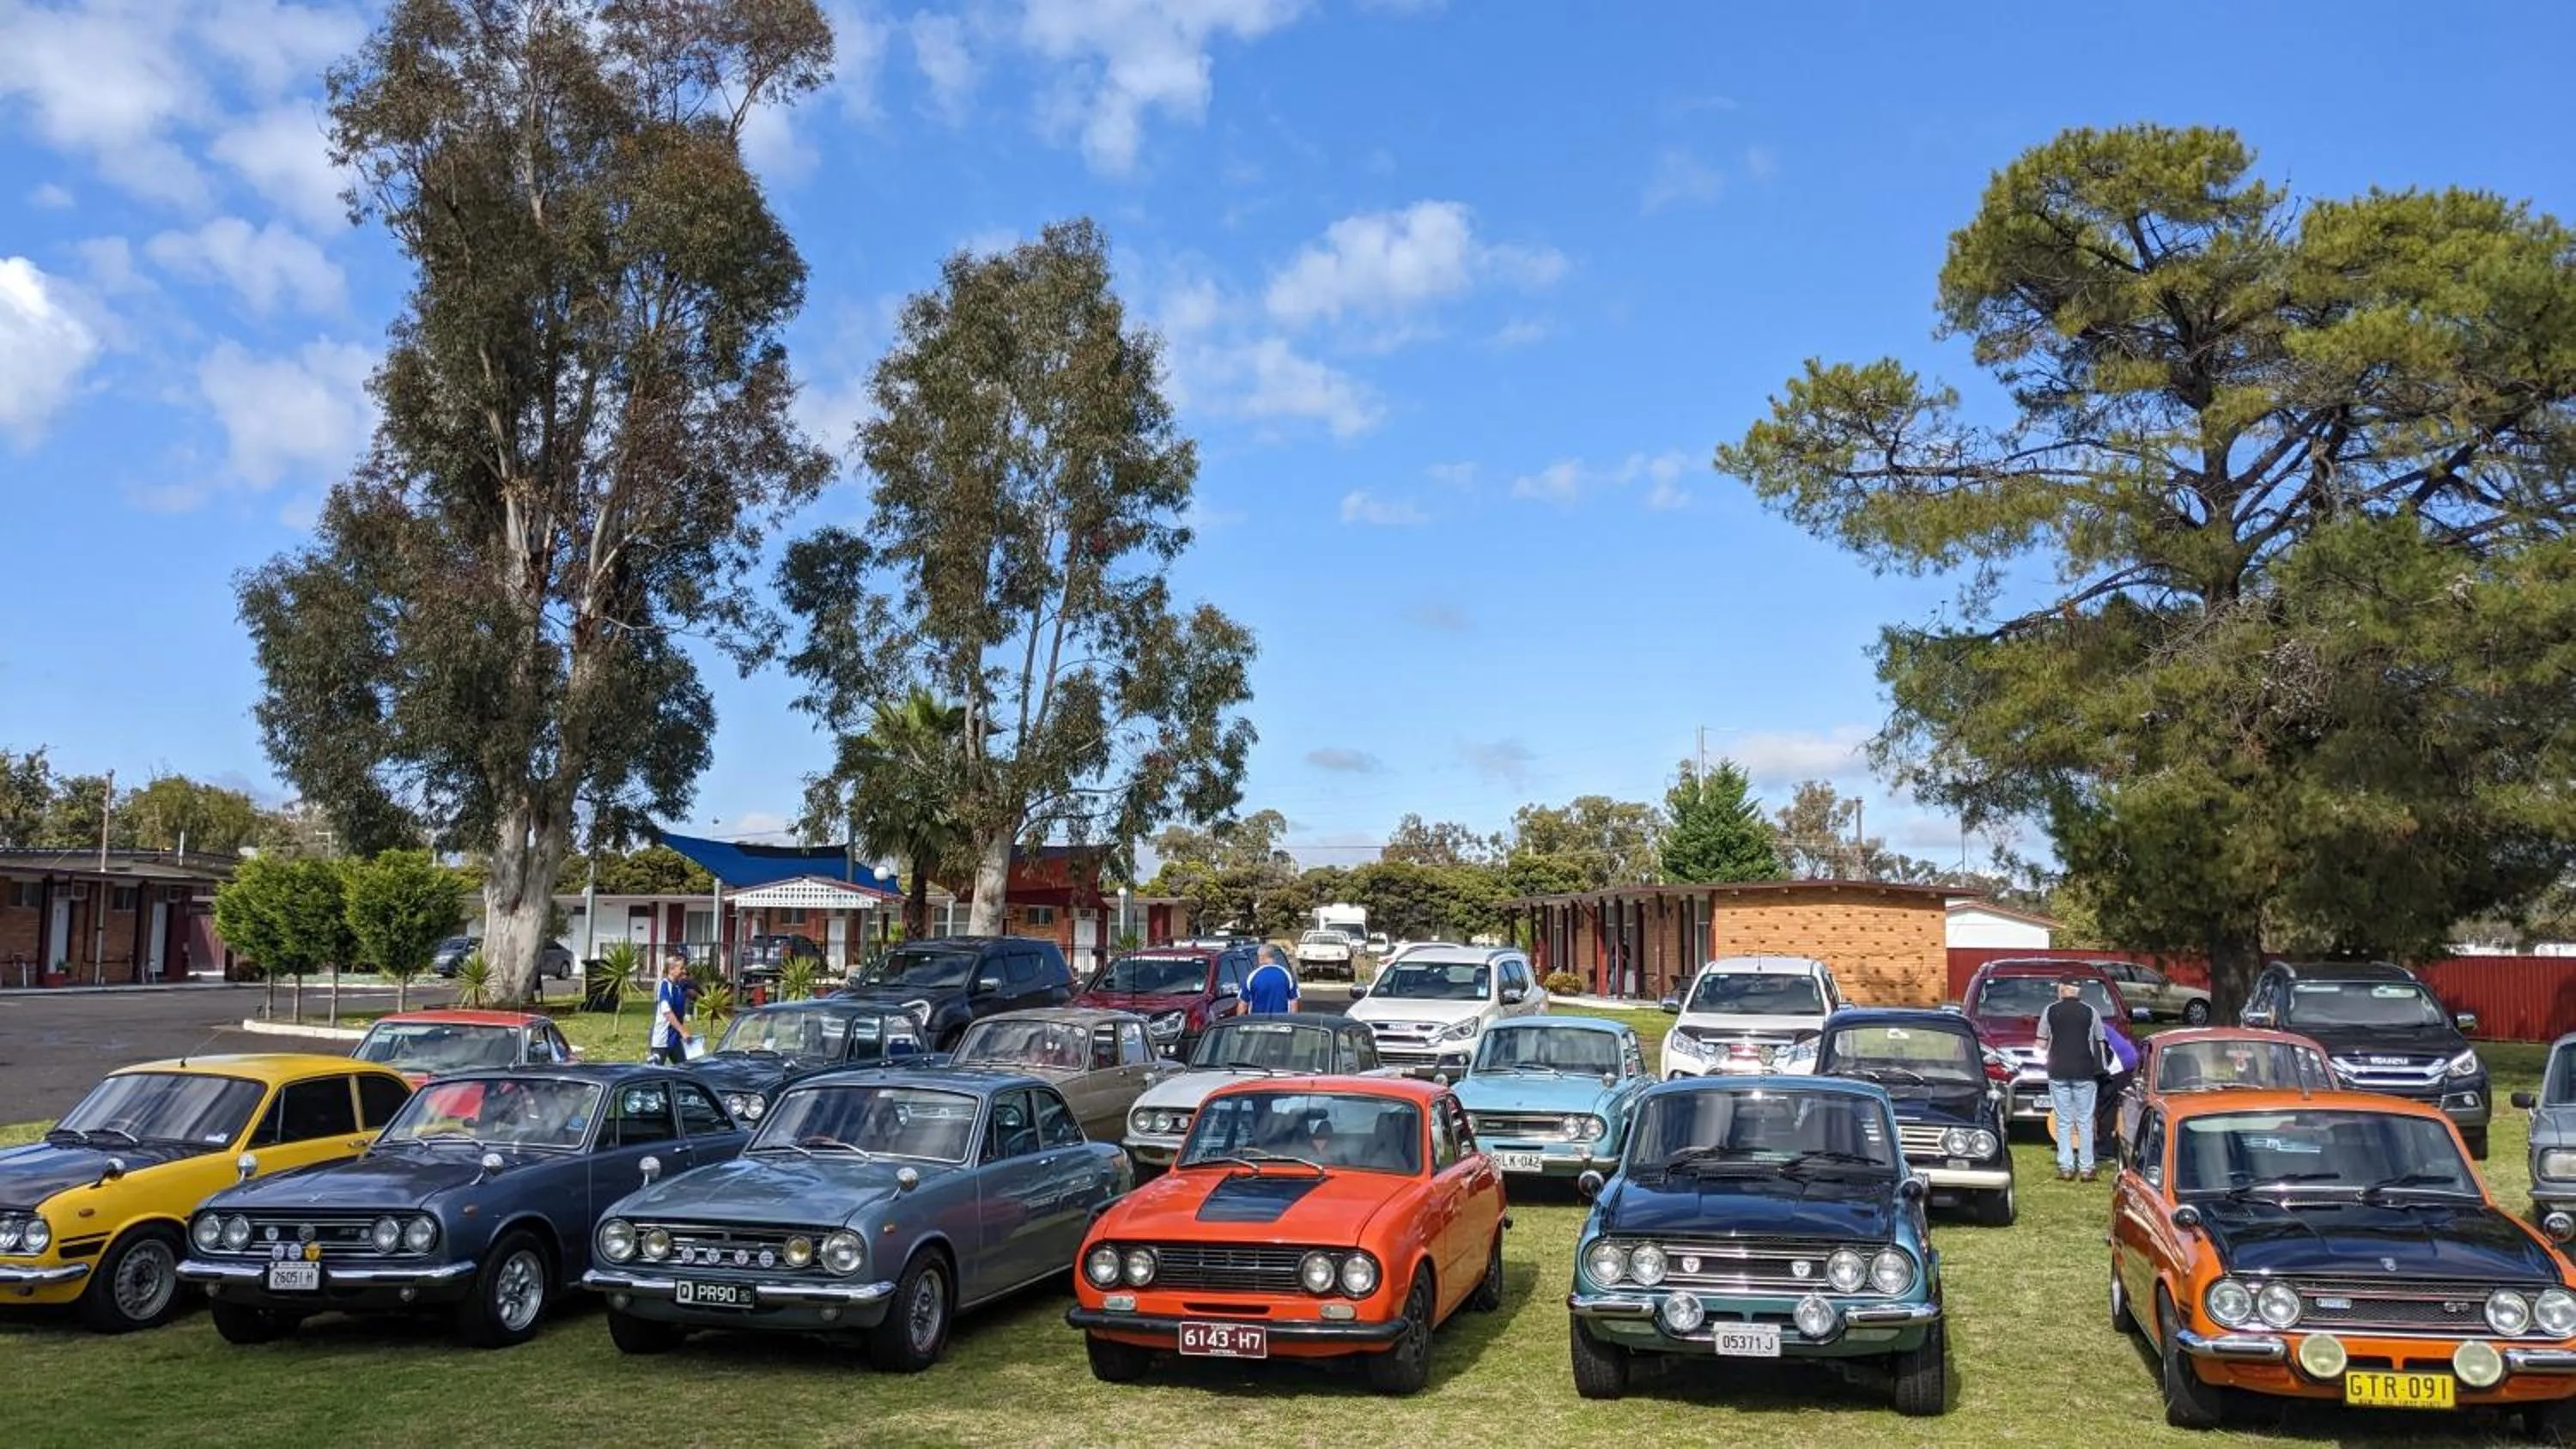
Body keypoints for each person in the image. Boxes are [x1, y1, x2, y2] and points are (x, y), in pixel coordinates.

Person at [2036, 977, 2112, 1181]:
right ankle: (2087, 1168)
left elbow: (2041, 1043)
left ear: (2062, 989)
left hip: (2058, 1071)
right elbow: (2100, 1041)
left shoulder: (2050, 1011)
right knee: (2085, 1120)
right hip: (2085, 1072)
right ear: (2079, 991)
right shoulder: (2091, 1012)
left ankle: (2066, 1167)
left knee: (2063, 1120)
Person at [648, 952, 693, 1064]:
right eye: (681, 968)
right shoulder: (664, 985)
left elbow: (693, 993)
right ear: (671, 970)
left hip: (675, 1039)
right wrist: (683, 1031)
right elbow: (667, 1012)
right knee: (654, 1073)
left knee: (684, 1069)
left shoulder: (679, 986)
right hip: (661, 1039)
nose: (684, 971)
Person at [1238, 944, 1300, 1016]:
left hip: (1257, 1023)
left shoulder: (1251, 977)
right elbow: (1294, 1002)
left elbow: (1242, 1005)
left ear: (1261, 957)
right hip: (1281, 1023)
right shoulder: (1287, 975)